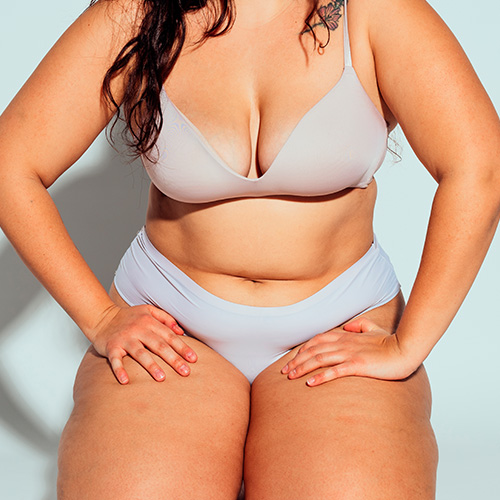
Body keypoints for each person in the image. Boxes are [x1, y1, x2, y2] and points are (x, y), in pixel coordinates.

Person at [0, 0, 498, 498]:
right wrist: (101, 318)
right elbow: (11, 164)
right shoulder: (139, 13)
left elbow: (480, 168)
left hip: (339, 326)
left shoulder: (373, 12)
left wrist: (409, 346)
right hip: (173, 328)